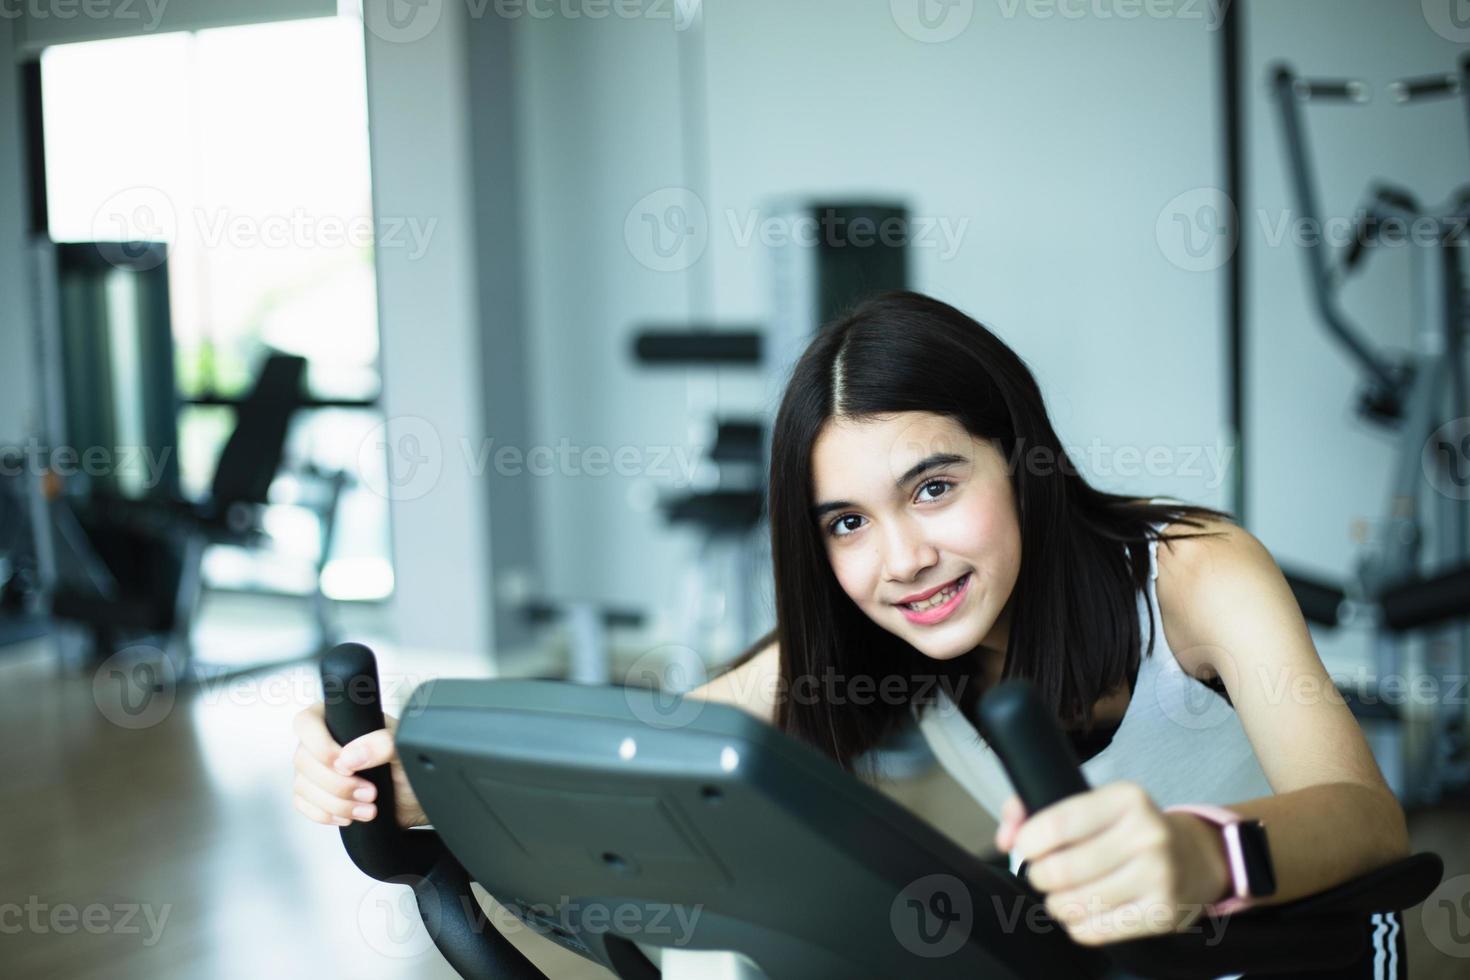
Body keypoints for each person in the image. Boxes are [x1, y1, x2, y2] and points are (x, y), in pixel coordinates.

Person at [292, 291, 1409, 972]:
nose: (901, 558)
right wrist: (390, 767)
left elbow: (1366, 818)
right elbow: (643, 754)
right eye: (845, 521)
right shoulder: (881, 627)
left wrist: (1196, 851)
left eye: (932, 487)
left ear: (1021, 457)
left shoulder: (1194, 569)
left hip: (1300, 951)